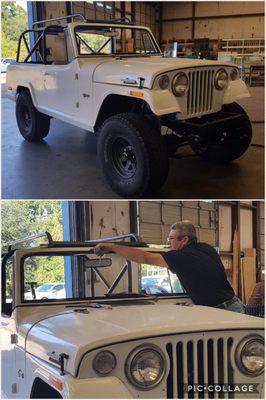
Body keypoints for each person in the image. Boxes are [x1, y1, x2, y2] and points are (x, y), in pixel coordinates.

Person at [94, 220, 245, 313]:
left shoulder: (180, 257)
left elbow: (143, 257)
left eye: (171, 239)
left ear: (184, 239)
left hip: (221, 311)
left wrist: (112, 247)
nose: (168, 243)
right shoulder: (207, 248)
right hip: (234, 305)